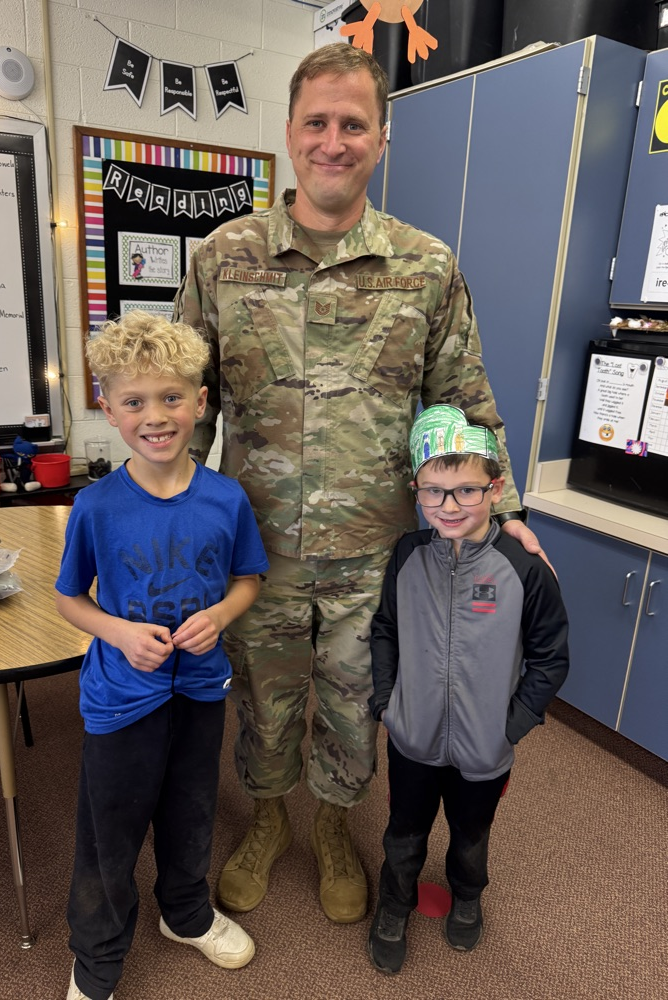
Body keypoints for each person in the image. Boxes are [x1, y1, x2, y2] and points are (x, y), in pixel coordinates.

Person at [175, 42, 544, 925]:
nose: (333, 140)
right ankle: (267, 822)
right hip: (252, 549)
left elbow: (463, 398)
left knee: (355, 702)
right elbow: (184, 405)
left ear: (380, 138)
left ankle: (336, 829)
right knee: (263, 701)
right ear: (291, 132)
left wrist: (510, 510)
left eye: (353, 124)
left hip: (375, 554)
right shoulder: (225, 257)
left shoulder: (425, 266)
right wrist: (143, 519)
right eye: (317, 122)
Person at [55, 311, 269, 1000]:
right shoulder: (96, 507)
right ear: (109, 409)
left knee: (191, 809)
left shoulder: (226, 499)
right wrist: (116, 632)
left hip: (201, 690)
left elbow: (248, 581)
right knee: (108, 834)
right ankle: (96, 958)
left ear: (200, 402)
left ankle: (185, 912)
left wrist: (220, 615)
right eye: (135, 400)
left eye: (172, 397)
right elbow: (69, 600)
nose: (156, 415)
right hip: (121, 700)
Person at [367, 404, 569, 973]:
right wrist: (387, 703)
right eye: (433, 492)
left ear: (495, 488)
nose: (448, 507)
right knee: (404, 829)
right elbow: (385, 629)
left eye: (465, 491)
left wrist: (513, 724)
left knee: (471, 832)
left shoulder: (524, 568)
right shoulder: (407, 555)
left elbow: (552, 656)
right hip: (412, 735)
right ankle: (395, 904)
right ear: (417, 490)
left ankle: (469, 895)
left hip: (486, 746)